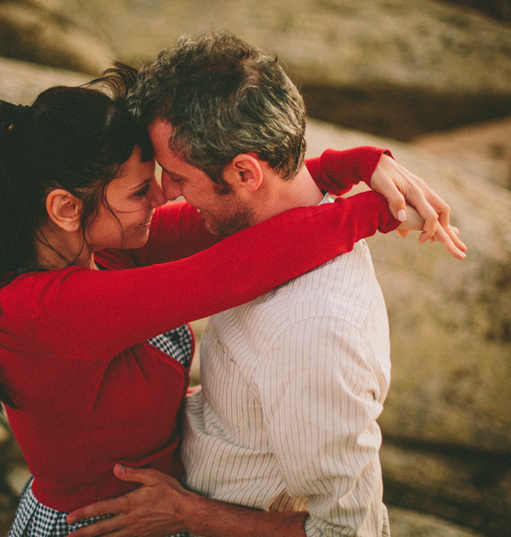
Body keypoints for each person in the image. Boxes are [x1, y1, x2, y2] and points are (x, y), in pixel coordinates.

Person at [63, 32, 466, 537]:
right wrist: (357, 164)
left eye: (177, 177)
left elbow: (347, 531)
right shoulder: (251, 229)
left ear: (245, 173)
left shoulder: (315, 331)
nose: (166, 194)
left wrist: (188, 513)